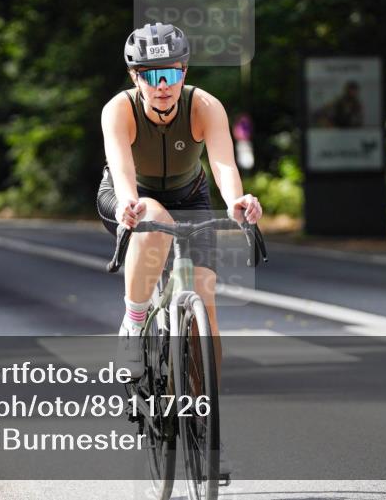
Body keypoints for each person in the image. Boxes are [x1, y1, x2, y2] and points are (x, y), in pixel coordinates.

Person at [97, 21, 262, 378]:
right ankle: (135, 322)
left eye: (171, 73)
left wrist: (236, 201)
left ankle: (202, 413)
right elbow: (122, 168)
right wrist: (129, 203)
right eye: (151, 75)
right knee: (150, 215)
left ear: (184, 71)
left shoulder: (204, 106)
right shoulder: (118, 110)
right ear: (134, 77)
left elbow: (223, 164)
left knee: (205, 303)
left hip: (190, 197)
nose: (162, 86)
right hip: (128, 196)